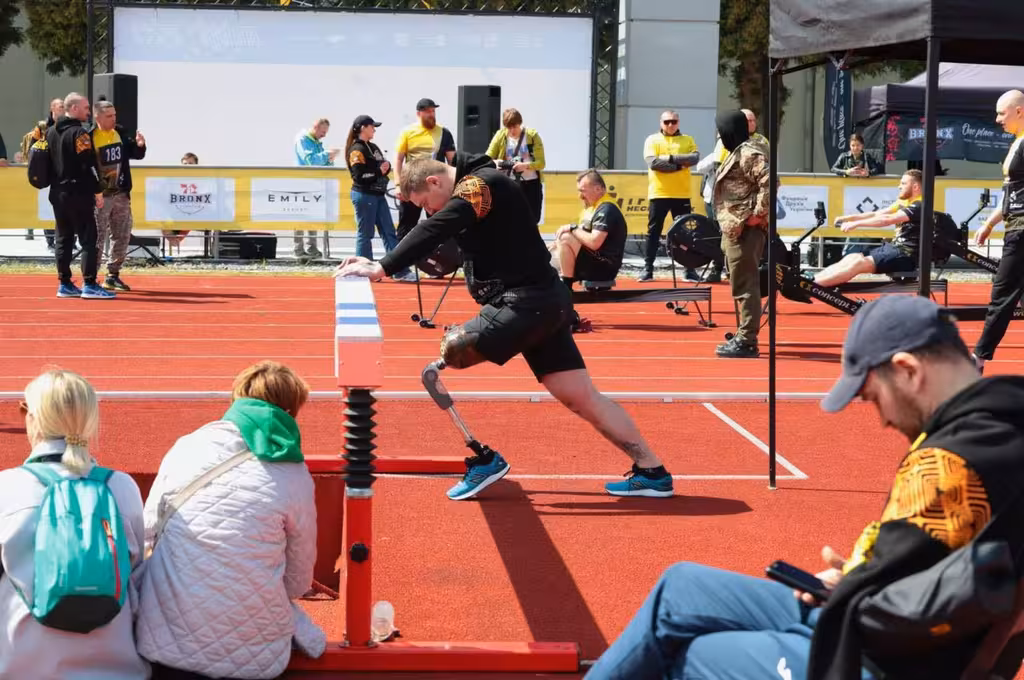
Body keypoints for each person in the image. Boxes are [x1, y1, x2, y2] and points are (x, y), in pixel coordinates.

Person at [586, 294, 1024, 680]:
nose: (884, 419)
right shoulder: (1003, 425)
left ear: (907, 370)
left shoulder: (948, 463)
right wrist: (855, 574)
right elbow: (926, 572)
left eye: (873, 397)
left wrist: (851, 584)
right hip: (910, 629)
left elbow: (895, 607)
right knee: (680, 587)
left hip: (878, 656)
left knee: (692, 656)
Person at [334, 152, 675, 500]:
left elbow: (437, 227)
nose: (429, 211)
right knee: (582, 398)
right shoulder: (478, 187)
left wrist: (383, 266)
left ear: (435, 182)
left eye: (425, 203)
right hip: (543, 302)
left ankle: (484, 458)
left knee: (448, 355)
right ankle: (653, 471)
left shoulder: (479, 186)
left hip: (526, 304)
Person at [134, 361, 323, 679]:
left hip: (168, 641)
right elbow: (299, 579)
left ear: (237, 398)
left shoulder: (188, 446)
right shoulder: (294, 473)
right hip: (254, 655)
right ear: (291, 411)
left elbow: (146, 534)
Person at [0, 369, 149, 679]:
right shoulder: (122, 487)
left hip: (21, 667)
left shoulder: (7, 487)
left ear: (31, 417)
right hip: (116, 667)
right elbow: (135, 570)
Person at [972, 89, 1024, 374]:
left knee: (1002, 295)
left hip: (1021, 233)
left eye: (1002, 113)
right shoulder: (1018, 142)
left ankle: (978, 359)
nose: (997, 119)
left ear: (1019, 111)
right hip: (1015, 228)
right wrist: (989, 223)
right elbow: (1010, 195)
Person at [713, 109, 769, 359]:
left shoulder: (749, 152)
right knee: (740, 283)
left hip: (746, 229)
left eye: (721, 130)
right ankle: (744, 335)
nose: (719, 135)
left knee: (746, 285)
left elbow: (770, 183)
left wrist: (757, 215)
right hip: (735, 228)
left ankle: (747, 341)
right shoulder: (736, 150)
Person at [48, 92, 115, 299]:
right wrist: (98, 190)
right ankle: (90, 284)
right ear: (74, 108)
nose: (88, 112)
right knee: (88, 239)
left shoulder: (51, 132)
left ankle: (64, 284)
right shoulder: (80, 133)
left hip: (57, 193)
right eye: (86, 108)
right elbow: (88, 165)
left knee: (63, 238)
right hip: (78, 193)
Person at [813, 170, 923, 288]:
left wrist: (856, 224)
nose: (899, 186)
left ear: (915, 187)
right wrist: (848, 218)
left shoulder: (919, 205)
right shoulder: (904, 202)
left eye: (903, 183)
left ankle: (813, 286)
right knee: (852, 257)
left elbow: (887, 219)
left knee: (859, 263)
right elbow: (877, 214)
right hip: (894, 248)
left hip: (906, 255)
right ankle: (812, 280)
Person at [345, 114, 414, 281]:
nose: (374, 130)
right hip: (364, 195)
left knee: (389, 232)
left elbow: (382, 165)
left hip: (378, 195)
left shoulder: (372, 146)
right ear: (363, 128)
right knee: (365, 234)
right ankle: (363, 270)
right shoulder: (356, 149)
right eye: (372, 127)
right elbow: (359, 176)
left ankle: (399, 270)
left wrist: (386, 167)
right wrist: (379, 171)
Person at [91, 99, 147, 292]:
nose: (114, 119)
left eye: (114, 115)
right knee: (97, 237)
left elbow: (136, 154)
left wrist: (140, 146)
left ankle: (112, 275)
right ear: (97, 117)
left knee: (122, 235)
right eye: (109, 116)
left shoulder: (120, 133)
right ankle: (90, 277)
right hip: (100, 196)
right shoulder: (89, 137)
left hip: (121, 193)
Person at [637, 110, 700, 283]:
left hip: (682, 194)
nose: (670, 125)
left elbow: (694, 158)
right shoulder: (652, 139)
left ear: (678, 122)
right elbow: (654, 163)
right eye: (666, 122)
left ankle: (689, 269)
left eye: (674, 121)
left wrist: (669, 158)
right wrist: (680, 166)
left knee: (686, 233)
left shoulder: (688, 139)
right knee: (653, 232)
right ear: (661, 123)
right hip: (659, 193)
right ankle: (648, 269)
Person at [551, 169, 627, 293]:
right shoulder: (591, 208)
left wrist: (573, 228)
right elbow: (581, 236)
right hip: (595, 261)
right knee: (549, 249)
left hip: (605, 267)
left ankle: (566, 286)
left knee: (565, 237)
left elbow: (594, 243)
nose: (580, 196)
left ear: (598, 189)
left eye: (582, 191)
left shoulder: (607, 208)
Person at [484, 107, 546, 223]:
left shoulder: (532, 136)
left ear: (520, 123)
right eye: (509, 127)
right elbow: (487, 157)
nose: (512, 130)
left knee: (532, 219)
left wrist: (524, 166)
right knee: (509, 219)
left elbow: (541, 163)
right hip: (508, 182)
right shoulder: (501, 135)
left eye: (515, 127)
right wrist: (496, 163)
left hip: (531, 184)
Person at [293, 117, 339, 258]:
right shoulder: (303, 140)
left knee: (312, 216)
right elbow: (311, 161)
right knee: (300, 215)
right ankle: (299, 251)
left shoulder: (316, 142)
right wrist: (328, 154)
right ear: (315, 127)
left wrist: (329, 160)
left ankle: (311, 248)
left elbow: (322, 164)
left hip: (314, 184)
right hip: (302, 183)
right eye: (323, 132)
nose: (324, 135)